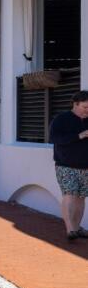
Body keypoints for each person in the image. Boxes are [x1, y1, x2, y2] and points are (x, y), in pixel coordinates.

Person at [52, 91, 88, 241]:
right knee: (69, 194)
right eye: (85, 107)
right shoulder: (61, 119)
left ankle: (76, 228)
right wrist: (79, 136)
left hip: (86, 166)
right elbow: (54, 138)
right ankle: (70, 229)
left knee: (81, 197)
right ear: (75, 104)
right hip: (66, 165)